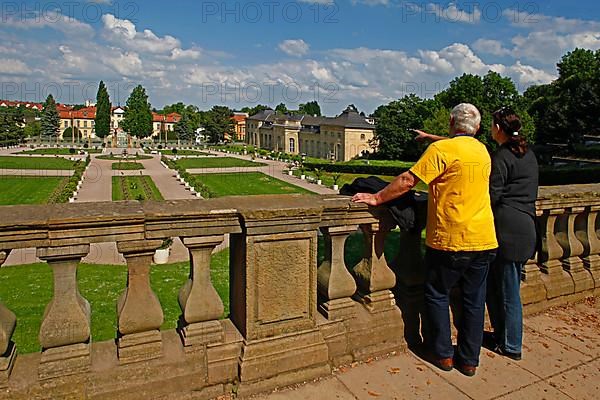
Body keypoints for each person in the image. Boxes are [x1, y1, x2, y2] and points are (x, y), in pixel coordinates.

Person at [352, 103, 497, 377]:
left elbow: (408, 180)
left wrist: (375, 198)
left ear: (452, 123)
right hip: (485, 239)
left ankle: (443, 354)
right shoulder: (482, 150)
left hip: (451, 238)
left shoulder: (442, 151)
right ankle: (469, 360)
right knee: (474, 301)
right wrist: (433, 138)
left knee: (437, 293)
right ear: (476, 128)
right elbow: (460, 145)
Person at [485, 107, 538, 360]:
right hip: (525, 226)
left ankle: (511, 345)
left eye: (492, 124)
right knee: (505, 287)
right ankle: (502, 336)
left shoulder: (502, 156)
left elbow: (492, 195)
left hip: (508, 229)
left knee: (507, 291)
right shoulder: (528, 154)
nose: (489, 129)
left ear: (498, 128)